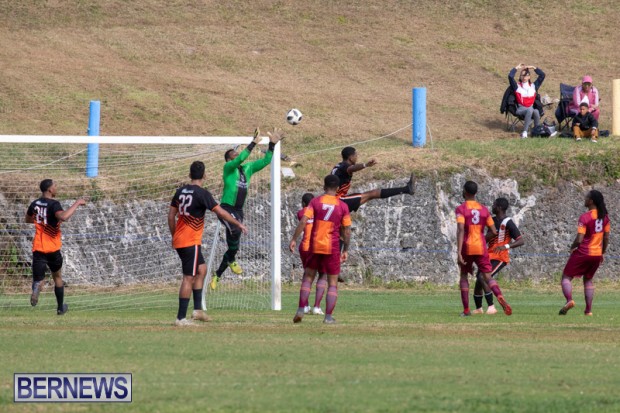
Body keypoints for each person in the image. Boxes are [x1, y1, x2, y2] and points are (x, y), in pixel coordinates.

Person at [169, 161, 247, 326]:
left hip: (182, 239)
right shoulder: (202, 193)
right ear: (204, 175)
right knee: (188, 278)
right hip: (190, 241)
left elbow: (171, 216)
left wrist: (174, 235)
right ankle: (180, 318)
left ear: (189, 175)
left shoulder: (180, 191)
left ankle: (197, 311)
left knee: (202, 269)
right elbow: (221, 212)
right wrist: (237, 223)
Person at [210, 128, 283, 290]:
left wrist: (272, 145)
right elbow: (240, 159)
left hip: (238, 210)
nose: (236, 154)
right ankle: (230, 261)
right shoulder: (228, 168)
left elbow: (265, 161)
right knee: (236, 229)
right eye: (233, 153)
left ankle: (218, 274)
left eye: (236, 152)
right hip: (226, 208)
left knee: (233, 248)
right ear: (228, 159)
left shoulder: (247, 169)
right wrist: (253, 143)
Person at [289, 175, 352, 324]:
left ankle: (300, 309)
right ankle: (328, 317)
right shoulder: (342, 206)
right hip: (332, 247)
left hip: (315, 245)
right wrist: (345, 249)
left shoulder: (315, 202)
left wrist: (294, 239)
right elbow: (347, 230)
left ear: (324, 187)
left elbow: (303, 221)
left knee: (308, 277)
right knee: (332, 282)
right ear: (338, 189)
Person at [25, 179, 86, 315]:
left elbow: (28, 220)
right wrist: (77, 203)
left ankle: (37, 287)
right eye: (55, 186)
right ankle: (60, 308)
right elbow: (63, 217)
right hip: (52, 248)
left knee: (38, 279)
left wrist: (42, 221)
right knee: (57, 276)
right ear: (50, 190)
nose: (56, 188)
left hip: (38, 248)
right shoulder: (54, 204)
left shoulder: (35, 204)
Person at [456, 181, 512, 316]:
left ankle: (466, 310)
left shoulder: (461, 209)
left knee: (464, 276)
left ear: (465, 191)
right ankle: (499, 296)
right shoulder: (484, 210)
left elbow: (461, 229)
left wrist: (459, 252)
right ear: (476, 193)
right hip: (481, 247)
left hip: (467, 246)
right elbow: (494, 231)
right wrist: (482, 239)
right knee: (487, 276)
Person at [559, 190, 610, 316]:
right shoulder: (605, 217)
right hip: (596, 254)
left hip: (583, 252)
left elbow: (579, 239)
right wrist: (602, 252)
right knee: (588, 280)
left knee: (566, 277)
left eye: (586, 197)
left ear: (591, 201)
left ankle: (569, 300)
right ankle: (588, 311)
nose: (585, 199)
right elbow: (606, 238)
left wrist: (572, 247)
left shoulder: (585, 217)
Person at [472, 198, 524, 315]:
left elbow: (521, 241)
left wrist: (505, 246)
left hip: (500, 256)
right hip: (488, 255)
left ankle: (492, 307)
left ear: (499, 207)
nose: (492, 206)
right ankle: (479, 308)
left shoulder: (508, 222)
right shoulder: (492, 220)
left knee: (482, 277)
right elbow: (486, 238)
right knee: (479, 280)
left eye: (494, 205)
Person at [332, 146, 415, 214]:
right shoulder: (345, 167)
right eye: (356, 156)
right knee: (372, 194)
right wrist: (365, 165)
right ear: (350, 158)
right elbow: (352, 168)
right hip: (338, 201)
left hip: (334, 200)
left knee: (372, 195)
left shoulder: (338, 166)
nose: (357, 157)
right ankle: (407, 189)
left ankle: (407, 189)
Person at [296, 193, 326, 315]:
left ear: (303, 203)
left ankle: (305, 305)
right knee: (322, 275)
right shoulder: (320, 211)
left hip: (305, 247)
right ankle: (317, 307)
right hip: (318, 246)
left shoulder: (301, 213)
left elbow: (303, 220)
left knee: (307, 276)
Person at [508, 64, 546, 139]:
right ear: (520, 77)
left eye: (526, 75)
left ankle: (536, 131)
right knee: (530, 110)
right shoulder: (517, 86)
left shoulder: (533, 86)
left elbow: (542, 75)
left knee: (536, 111)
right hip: (520, 109)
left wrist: (533, 67)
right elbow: (510, 76)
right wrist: (516, 68)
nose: (524, 77)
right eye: (522, 75)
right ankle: (524, 132)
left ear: (529, 77)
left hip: (530, 109)